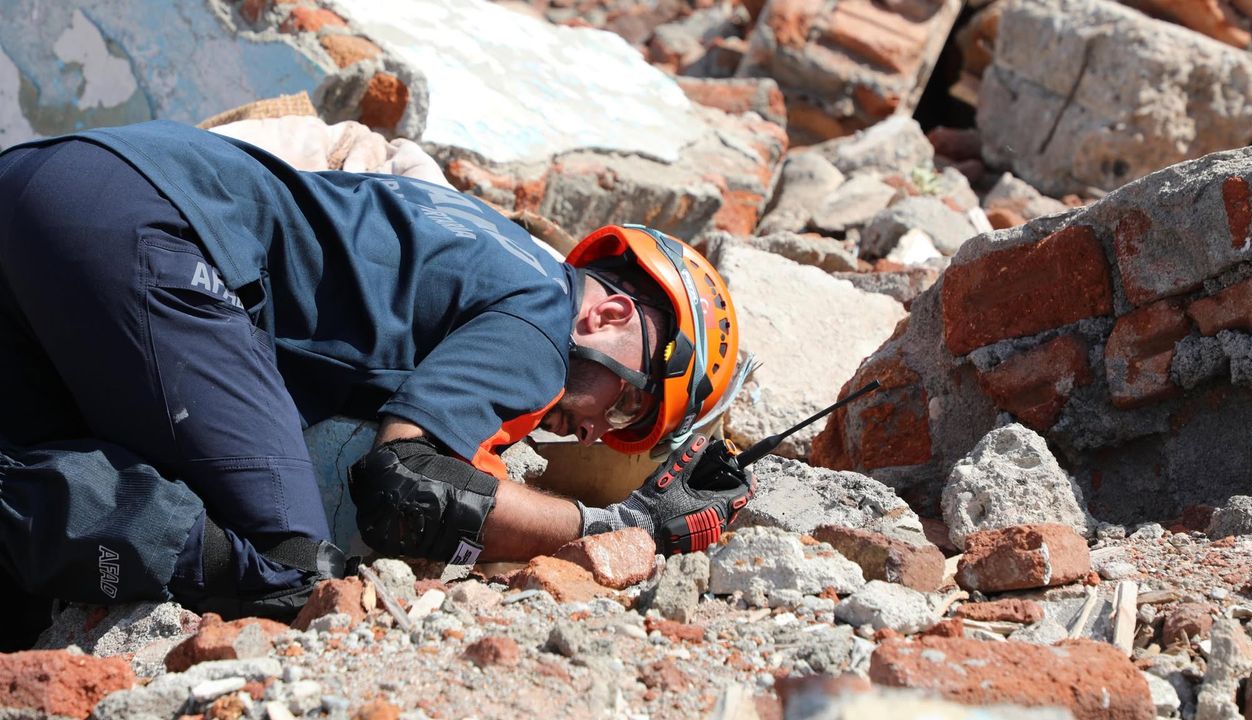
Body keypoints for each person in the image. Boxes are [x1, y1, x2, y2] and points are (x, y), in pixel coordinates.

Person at [0, 120, 754, 649]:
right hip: (153, 229)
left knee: (23, 596)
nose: (593, 433)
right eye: (628, 405)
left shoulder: (485, 240)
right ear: (611, 314)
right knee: (289, 577)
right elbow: (409, 491)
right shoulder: (542, 325)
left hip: (52, 176)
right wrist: (619, 527)